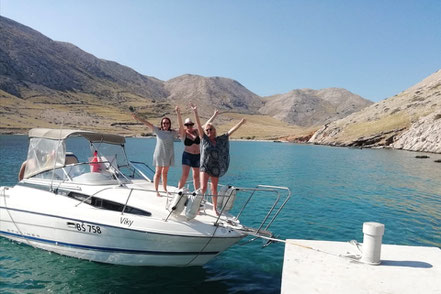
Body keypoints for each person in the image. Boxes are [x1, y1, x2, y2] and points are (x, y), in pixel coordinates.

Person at [191, 104, 246, 215]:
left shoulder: (220, 140)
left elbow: (230, 131)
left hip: (215, 167)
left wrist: (241, 123)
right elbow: (199, 127)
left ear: (214, 130)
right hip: (205, 166)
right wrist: (195, 112)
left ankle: (215, 209)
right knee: (202, 188)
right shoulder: (204, 139)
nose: (208, 131)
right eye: (207, 130)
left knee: (214, 189)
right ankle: (197, 208)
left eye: (210, 129)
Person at [132, 109, 180, 197]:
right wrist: (138, 118)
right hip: (159, 154)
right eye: (164, 123)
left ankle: (165, 189)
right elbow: (147, 123)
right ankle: (156, 190)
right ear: (161, 124)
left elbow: (182, 129)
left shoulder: (172, 133)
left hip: (168, 155)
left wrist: (178, 113)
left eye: (167, 123)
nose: (165, 124)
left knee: (165, 173)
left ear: (169, 124)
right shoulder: (158, 131)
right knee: (158, 172)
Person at [176, 107, 219, 191]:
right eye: (187, 125)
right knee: (185, 175)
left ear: (193, 124)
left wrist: (215, 115)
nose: (189, 126)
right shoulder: (183, 133)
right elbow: (180, 125)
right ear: (185, 126)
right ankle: (178, 191)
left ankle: (197, 195)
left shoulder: (197, 131)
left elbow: (207, 124)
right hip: (187, 156)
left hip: (198, 156)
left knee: (196, 176)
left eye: (190, 124)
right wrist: (178, 113)